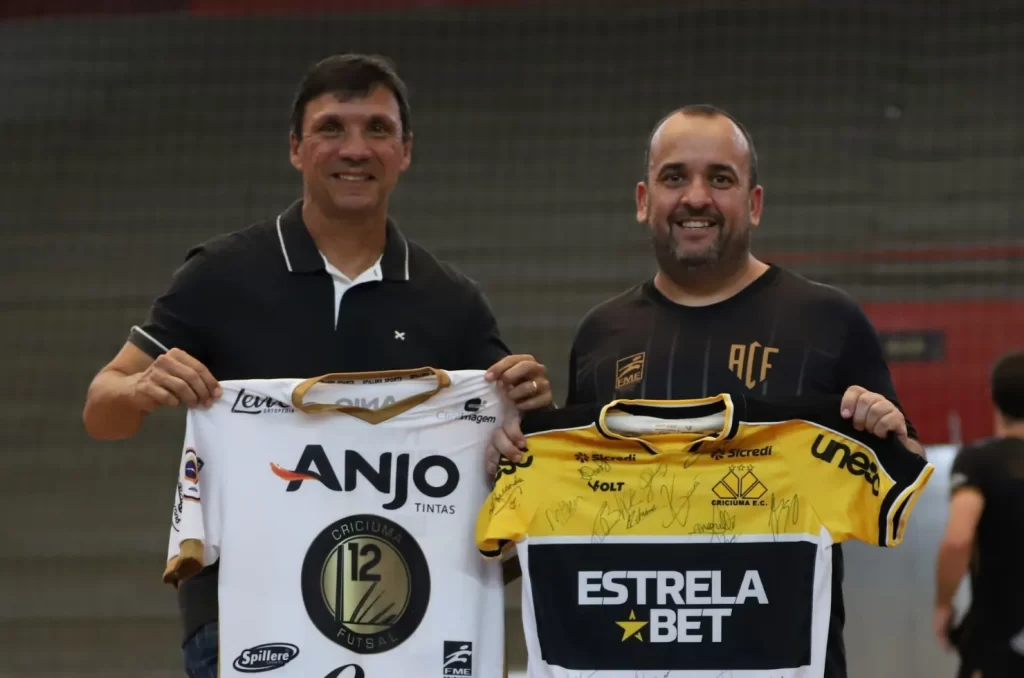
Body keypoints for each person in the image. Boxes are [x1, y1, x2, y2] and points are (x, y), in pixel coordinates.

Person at [81, 53, 552, 678]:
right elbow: (101, 410)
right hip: (242, 623)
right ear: (296, 149)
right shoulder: (219, 275)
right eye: (332, 128)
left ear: (405, 151)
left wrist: (527, 409)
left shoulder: (451, 300)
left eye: (377, 130)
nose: (355, 149)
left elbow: (520, 443)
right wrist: (140, 388)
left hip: (415, 627)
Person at [489, 103, 923, 678]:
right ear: (645, 201)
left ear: (754, 203)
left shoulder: (827, 320)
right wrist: (526, 455)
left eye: (720, 178)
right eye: (675, 177)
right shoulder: (601, 333)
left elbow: (903, 472)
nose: (697, 197)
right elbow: (585, 513)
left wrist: (885, 429)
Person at [934, 349, 1024, 678]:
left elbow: (958, 539)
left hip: (996, 639)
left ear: (994, 400)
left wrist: (943, 604)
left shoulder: (979, 462)